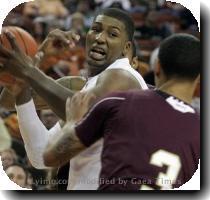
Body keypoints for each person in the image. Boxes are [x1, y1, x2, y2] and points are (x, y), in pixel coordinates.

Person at [0, 8, 148, 190]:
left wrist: (29, 72)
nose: (100, 38)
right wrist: (38, 57)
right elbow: (40, 154)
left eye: (112, 34)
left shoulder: (125, 76)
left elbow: (89, 115)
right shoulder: (86, 88)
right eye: (96, 29)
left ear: (126, 48)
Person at [43, 33, 200, 190]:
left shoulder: (119, 102)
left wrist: (72, 122)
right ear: (200, 76)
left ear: (157, 67)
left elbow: (50, 157)